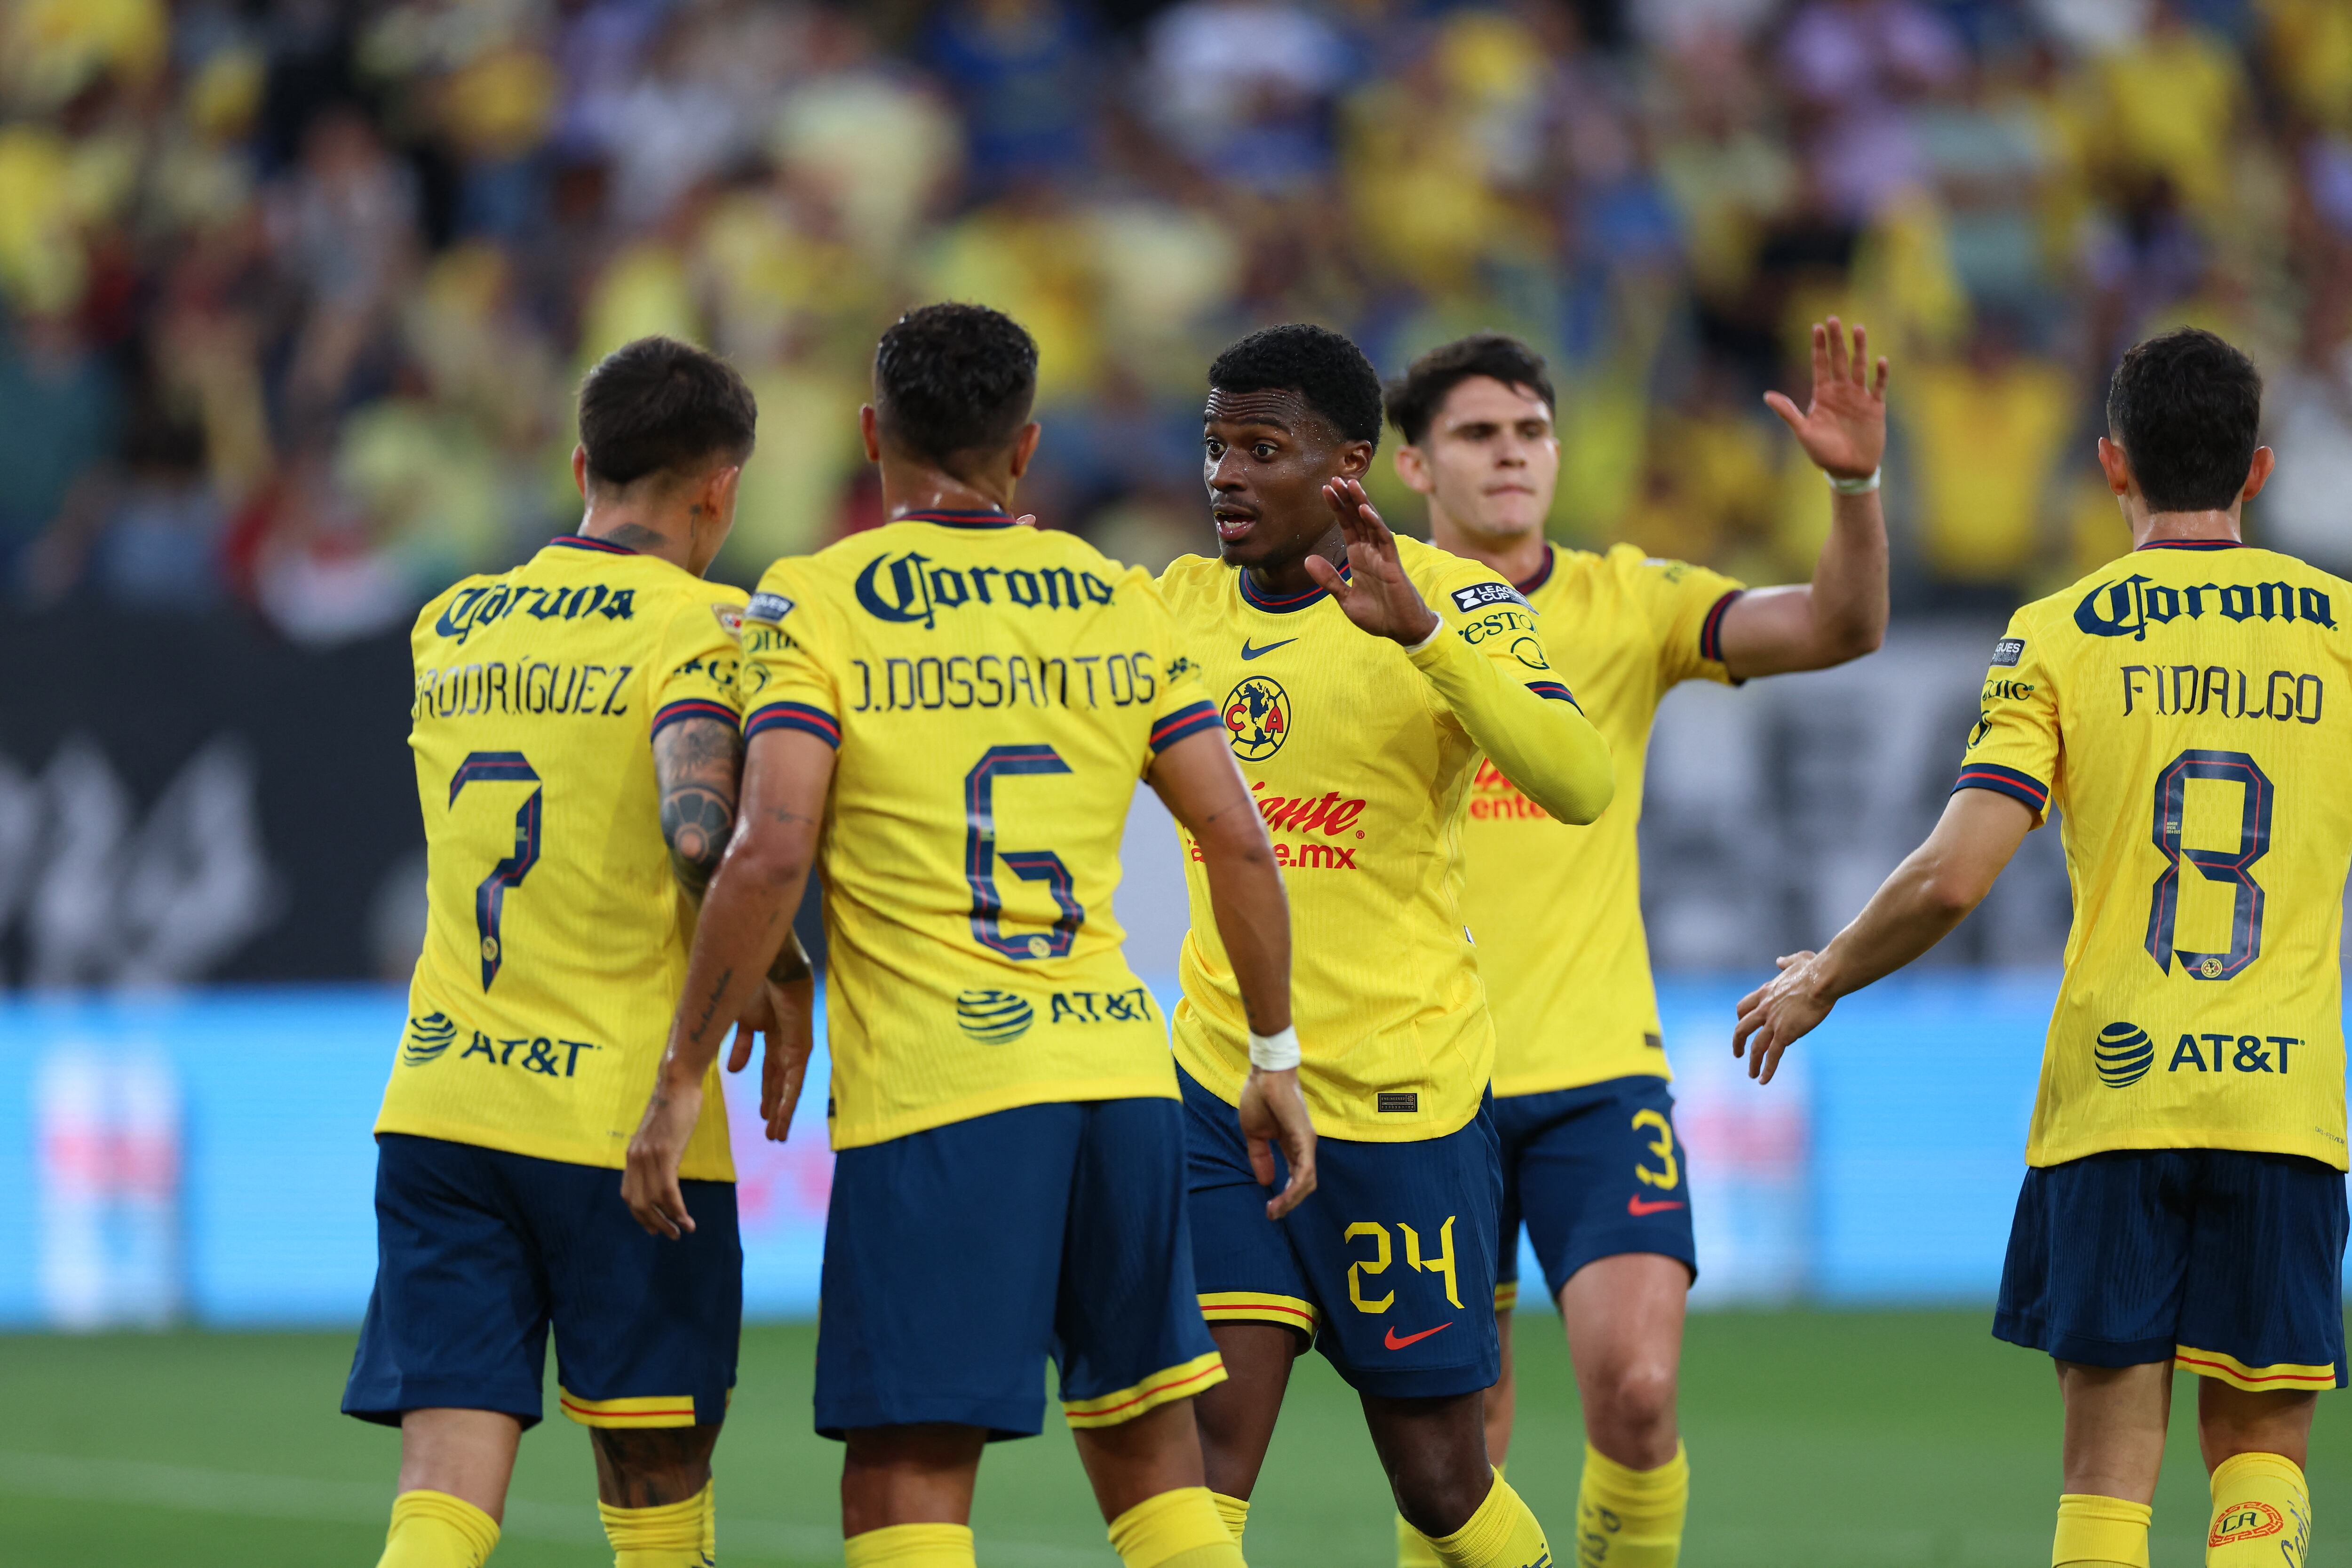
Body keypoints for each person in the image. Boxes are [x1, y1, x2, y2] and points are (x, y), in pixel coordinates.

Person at [621, 302, 1314, 1568]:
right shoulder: (1116, 599)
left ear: (873, 433)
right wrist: (1274, 1056)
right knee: (1153, 1461)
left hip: (944, 1099)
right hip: (1117, 1082)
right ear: (1028, 446)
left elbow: (767, 848)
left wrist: (680, 1079)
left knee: (908, 1476)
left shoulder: (816, 601)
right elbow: (1239, 844)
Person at [1734, 326, 2348, 1568]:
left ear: (2112, 466)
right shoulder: (2339, 629)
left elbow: (1956, 874)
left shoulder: (2060, 635)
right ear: (2262, 470)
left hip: (2114, 1101)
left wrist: (1822, 977)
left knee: (2106, 1484)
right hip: (2283, 1106)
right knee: (2263, 1465)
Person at [1378, 323, 1891, 1568]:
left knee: (1641, 1394)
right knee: (1461, 1449)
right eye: (1479, 435)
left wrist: (1854, 487)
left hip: (1598, 1070)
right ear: (1415, 468)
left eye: (1532, 432)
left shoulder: (1628, 599)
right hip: (1427, 1079)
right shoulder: (1365, 609)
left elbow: (1840, 625)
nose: (1513, 456)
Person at [344, 335, 810, 1568]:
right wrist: (779, 965)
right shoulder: (708, 624)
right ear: (721, 489)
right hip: (619, 1123)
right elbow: (701, 833)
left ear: (581, 466)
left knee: (443, 1484)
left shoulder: (452, 623)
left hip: (445, 1105)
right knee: (654, 1487)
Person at [1158, 322, 1617, 1568]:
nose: (1227, 477)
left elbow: (1579, 780)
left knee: (1442, 1487)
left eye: (1263, 449)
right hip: (1229, 1085)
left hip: (1400, 1098)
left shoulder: (1452, 600)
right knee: (1203, 1464)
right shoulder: (1171, 613)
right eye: (1215, 448)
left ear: (1349, 465)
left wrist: (1421, 634)